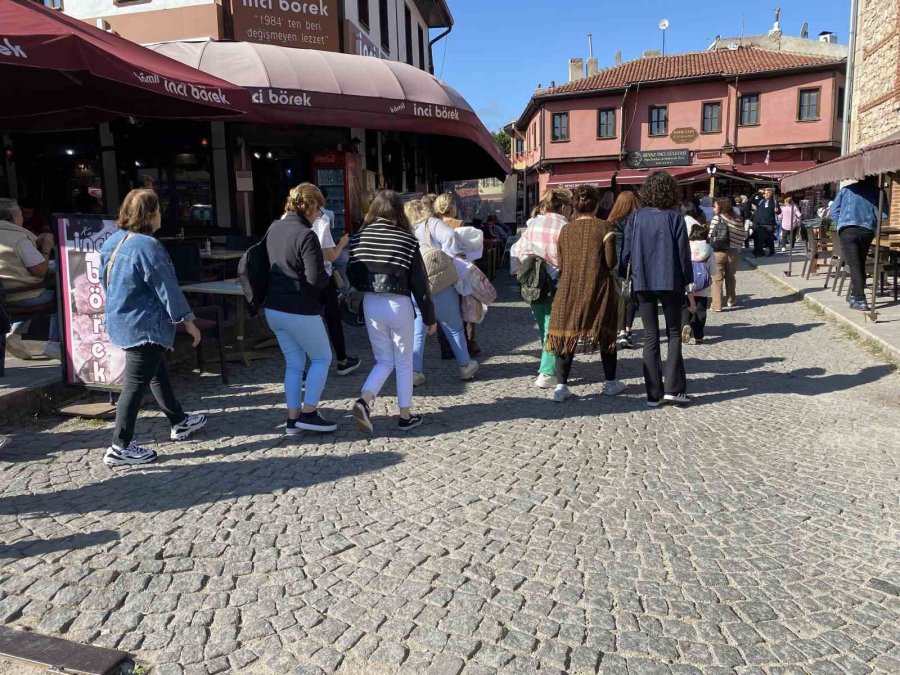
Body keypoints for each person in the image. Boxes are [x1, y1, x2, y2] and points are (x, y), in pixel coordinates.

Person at [100, 189, 207, 466]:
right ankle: (120, 445)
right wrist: (188, 322)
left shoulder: (111, 242)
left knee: (155, 371)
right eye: (158, 209)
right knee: (134, 385)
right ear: (149, 215)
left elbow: (105, 281)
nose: (162, 215)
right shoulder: (148, 246)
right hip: (144, 324)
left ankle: (179, 420)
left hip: (121, 319)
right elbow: (167, 288)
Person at [348, 191, 436, 432]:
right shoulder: (407, 240)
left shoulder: (359, 238)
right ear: (399, 210)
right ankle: (405, 415)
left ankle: (364, 401)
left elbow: (351, 273)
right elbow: (421, 283)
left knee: (384, 360)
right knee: (404, 361)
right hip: (399, 303)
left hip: (371, 303)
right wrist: (430, 317)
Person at [263, 183, 337, 434]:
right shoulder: (307, 235)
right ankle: (309, 413)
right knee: (322, 357)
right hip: (299, 308)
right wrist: (331, 281)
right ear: (310, 206)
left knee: (294, 363)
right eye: (319, 207)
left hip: (274, 307)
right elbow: (315, 278)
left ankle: (293, 419)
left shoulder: (274, 227)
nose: (321, 213)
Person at [620, 171, 694, 407]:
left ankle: (653, 393)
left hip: (643, 281)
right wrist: (688, 282)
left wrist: (624, 274)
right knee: (673, 334)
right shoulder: (675, 217)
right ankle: (674, 389)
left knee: (651, 336)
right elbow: (684, 254)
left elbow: (626, 251)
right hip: (670, 280)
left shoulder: (636, 217)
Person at [545, 185, 622, 402]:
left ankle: (561, 386)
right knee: (605, 333)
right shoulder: (605, 227)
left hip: (568, 288)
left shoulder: (565, 230)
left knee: (565, 335)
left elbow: (560, 262)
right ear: (596, 205)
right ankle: (610, 383)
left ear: (576, 206)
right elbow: (611, 262)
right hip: (598, 288)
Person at [405, 199, 477, 386]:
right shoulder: (432, 223)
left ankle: (414, 372)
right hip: (438, 282)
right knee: (453, 326)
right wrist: (449, 256)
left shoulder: (405, 229)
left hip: (415, 284)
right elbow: (451, 237)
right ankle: (465, 365)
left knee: (418, 328)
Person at [510, 188, 571, 388]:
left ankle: (548, 363)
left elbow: (516, 250)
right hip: (555, 281)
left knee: (544, 324)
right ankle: (546, 372)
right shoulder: (565, 226)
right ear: (564, 206)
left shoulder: (533, 225)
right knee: (551, 326)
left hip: (533, 282)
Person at [0, 198, 60, 361]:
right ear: (13, 218)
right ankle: (54, 343)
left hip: (4, 298)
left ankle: (15, 334)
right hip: (21, 297)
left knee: (30, 289)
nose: (22, 218)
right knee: (64, 296)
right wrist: (46, 247)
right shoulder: (19, 238)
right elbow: (40, 270)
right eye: (20, 215)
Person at [310, 190, 360, 376]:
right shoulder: (322, 221)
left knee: (307, 319)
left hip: (301, 278)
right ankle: (342, 360)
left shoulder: (287, 222)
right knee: (332, 318)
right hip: (323, 275)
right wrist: (342, 243)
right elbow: (329, 256)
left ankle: (304, 367)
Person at [831, 177, 889, 311]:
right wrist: (873, 224)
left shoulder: (846, 190)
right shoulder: (878, 192)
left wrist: (841, 224)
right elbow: (883, 215)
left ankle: (860, 299)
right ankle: (855, 296)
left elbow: (834, 210)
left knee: (855, 264)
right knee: (859, 263)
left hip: (848, 229)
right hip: (866, 230)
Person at [607, 190, 642, 350]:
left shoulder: (610, 222)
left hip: (613, 264)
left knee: (617, 298)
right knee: (630, 298)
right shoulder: (636, 221)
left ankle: (618, 329)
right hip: (630, 264)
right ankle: (626, 331)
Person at [681, 222, 717, 345]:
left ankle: (685, 325)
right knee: (701, 310)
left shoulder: (685, 247)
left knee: (686, 308)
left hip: (687, 283)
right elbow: (713, 269)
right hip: (703, 284)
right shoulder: (708, 249)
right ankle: (699, 335)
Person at [708, 197, 744, 311]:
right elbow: (743, 235)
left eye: (715, 206)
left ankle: (717, 305)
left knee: (717, 279)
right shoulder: (737, 219)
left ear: (721, 207)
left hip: (718, 251)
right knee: (730, 277)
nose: (713, 208)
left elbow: (710, 236)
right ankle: (731, 300)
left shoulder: (717, 218)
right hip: (733, 252)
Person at [753, 187, 780, 257]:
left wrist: (777, 210)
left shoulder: (775, 201)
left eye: (768, 193)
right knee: (760, 239)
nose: (767, 194)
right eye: (765, 193)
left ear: (771, 194)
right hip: (761, 223)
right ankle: (759, 253)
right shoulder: (760, 201)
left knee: (770, 239)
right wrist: (758, 193)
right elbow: (751, 200)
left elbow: (779, 212)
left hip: (770, 224)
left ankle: (772, 251)